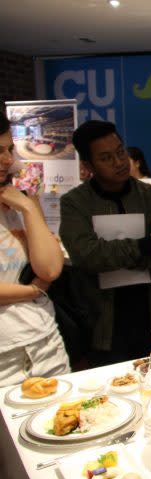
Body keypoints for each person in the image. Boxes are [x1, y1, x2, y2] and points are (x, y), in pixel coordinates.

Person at [60, 120, 151, 365]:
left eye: (120, 152)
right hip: (102, 321)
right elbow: (86, 256)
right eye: (106, 158)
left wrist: (110, 255)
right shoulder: (75, 203)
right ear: (88, 165)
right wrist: (143, 246)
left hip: (150, 313)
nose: (119, 162)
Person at [0, 112, 70, 386]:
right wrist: (31, 290)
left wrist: (29, 207)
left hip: (45, 341)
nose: (7, 159)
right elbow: (42, 280)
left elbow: (50, 268)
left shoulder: (19, 195)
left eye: (8, 149)